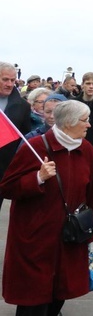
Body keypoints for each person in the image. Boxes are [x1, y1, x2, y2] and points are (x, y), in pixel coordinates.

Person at [0, 100, 93, 315]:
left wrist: (89, 232)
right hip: (35, 239)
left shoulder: (88, 150)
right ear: (69, 123)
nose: (89, 125)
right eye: (85, 120)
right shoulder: (34, 147)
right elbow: (6, 187)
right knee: (33, 299)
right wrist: (38, 178)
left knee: (59, 294)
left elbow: (90, 196)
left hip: (70, 238)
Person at [0, 61, 32, 210]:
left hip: (4, 167)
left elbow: (25, 137)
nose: (9, 84)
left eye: (13, 80)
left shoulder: (23, 106)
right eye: (5, 79)